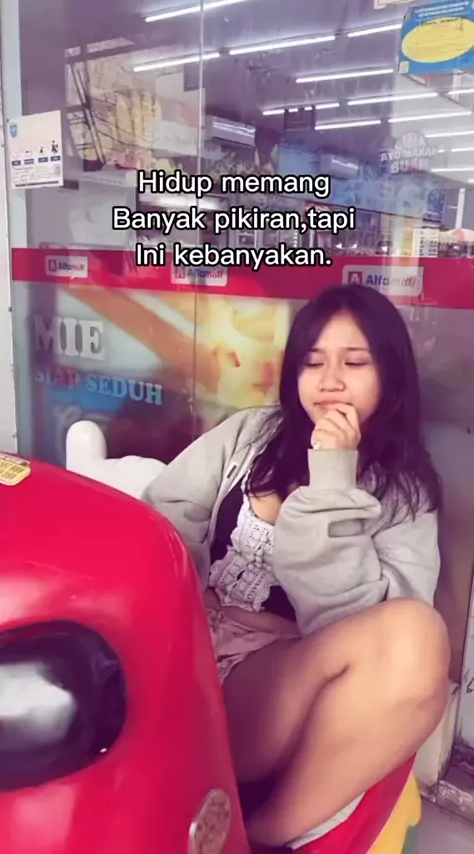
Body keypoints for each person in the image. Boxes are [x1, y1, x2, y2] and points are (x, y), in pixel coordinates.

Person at [143, 284, 450, 851]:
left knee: (420, 635)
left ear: (390, 376)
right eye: (313, 362)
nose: (330, 380)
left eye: (354, 362)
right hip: (178, 649)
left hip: (270, 688)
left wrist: (332, 477)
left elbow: (378, 640)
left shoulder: (406, 495)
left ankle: (265, 835)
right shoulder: (249, 434)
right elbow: (163, 519)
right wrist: (189, 600)